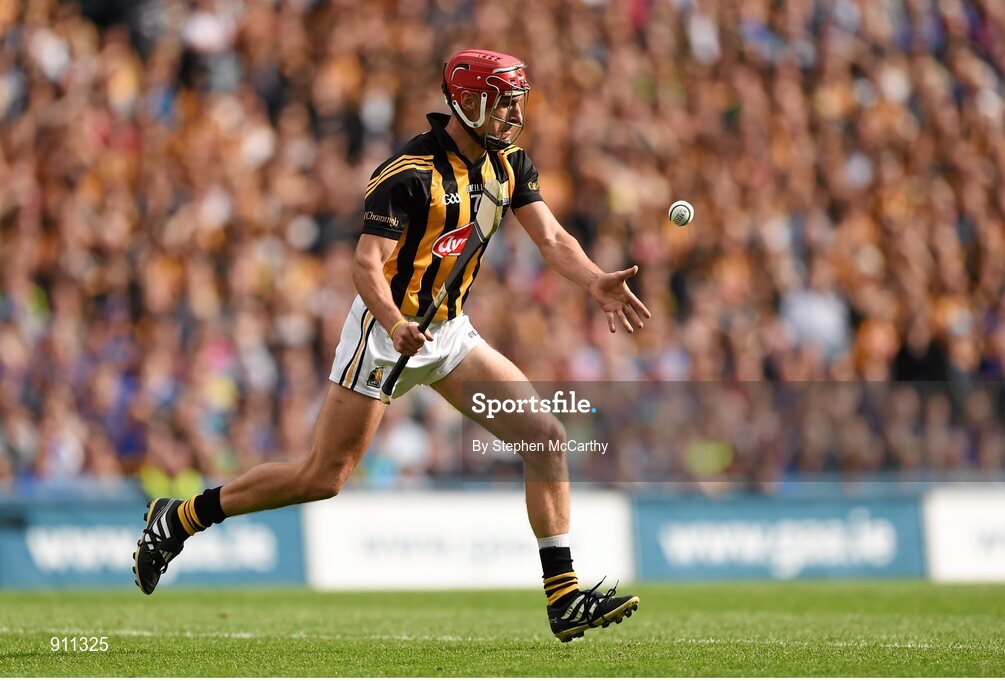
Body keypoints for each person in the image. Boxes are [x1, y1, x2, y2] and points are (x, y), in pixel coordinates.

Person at [133, 49, 649, 643]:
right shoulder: (408, 172)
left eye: (516, 100)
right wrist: (394, 321)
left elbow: (552, 237)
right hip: (384, 338)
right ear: (468, 100)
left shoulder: (509, 164)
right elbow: (365, 264)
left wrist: (594, 280)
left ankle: (564, 598)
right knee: (321, 478)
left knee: (545, 436)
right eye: (503, 100)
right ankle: (181, 517)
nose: (514, 113)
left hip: (450, 335)